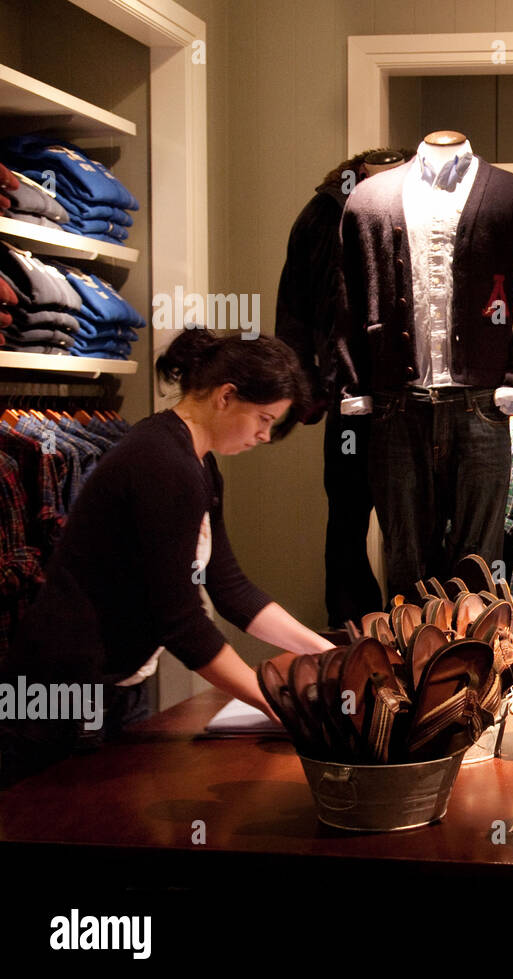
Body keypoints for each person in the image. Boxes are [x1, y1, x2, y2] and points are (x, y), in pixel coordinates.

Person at [0, 328, 334, 786]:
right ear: (226, 396)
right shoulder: (160, 462)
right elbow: (180, 622)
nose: (264, 435)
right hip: (61, 688)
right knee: (56, 828)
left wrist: (330, 653)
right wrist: (278, 702)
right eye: (263, 418)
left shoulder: (197, 462)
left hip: (115, 682)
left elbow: (230, 588)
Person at [275, 147, 409, 628]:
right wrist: (307, 390)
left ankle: (420, 641)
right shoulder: (323, 214)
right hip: (353, 401)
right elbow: (295, 309)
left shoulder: (419, 208)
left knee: (408, 531)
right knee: (350, 527)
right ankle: (358, 639)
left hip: (410, 400)